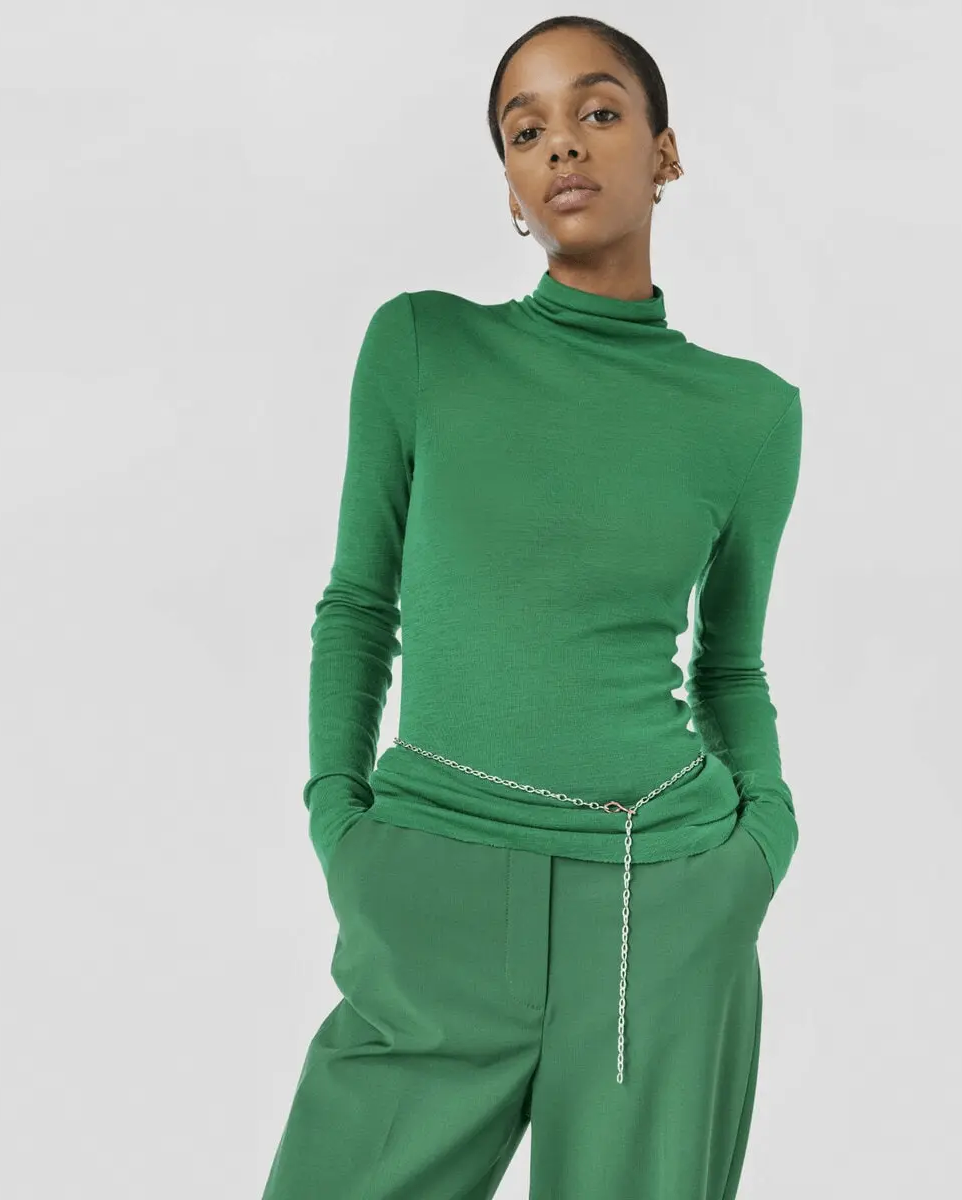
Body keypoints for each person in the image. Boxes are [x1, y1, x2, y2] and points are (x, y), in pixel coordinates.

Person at [261, 15, 803, 1199]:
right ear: (510, 180)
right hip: (431, 891)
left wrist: (760, 845)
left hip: (663, 906)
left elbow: (730, 667)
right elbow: (357, 604)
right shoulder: (422, 346)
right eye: (526, 130)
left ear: (664, 152)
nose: (562, 144)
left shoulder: (753, 414)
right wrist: (339, 821)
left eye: (598, 112)